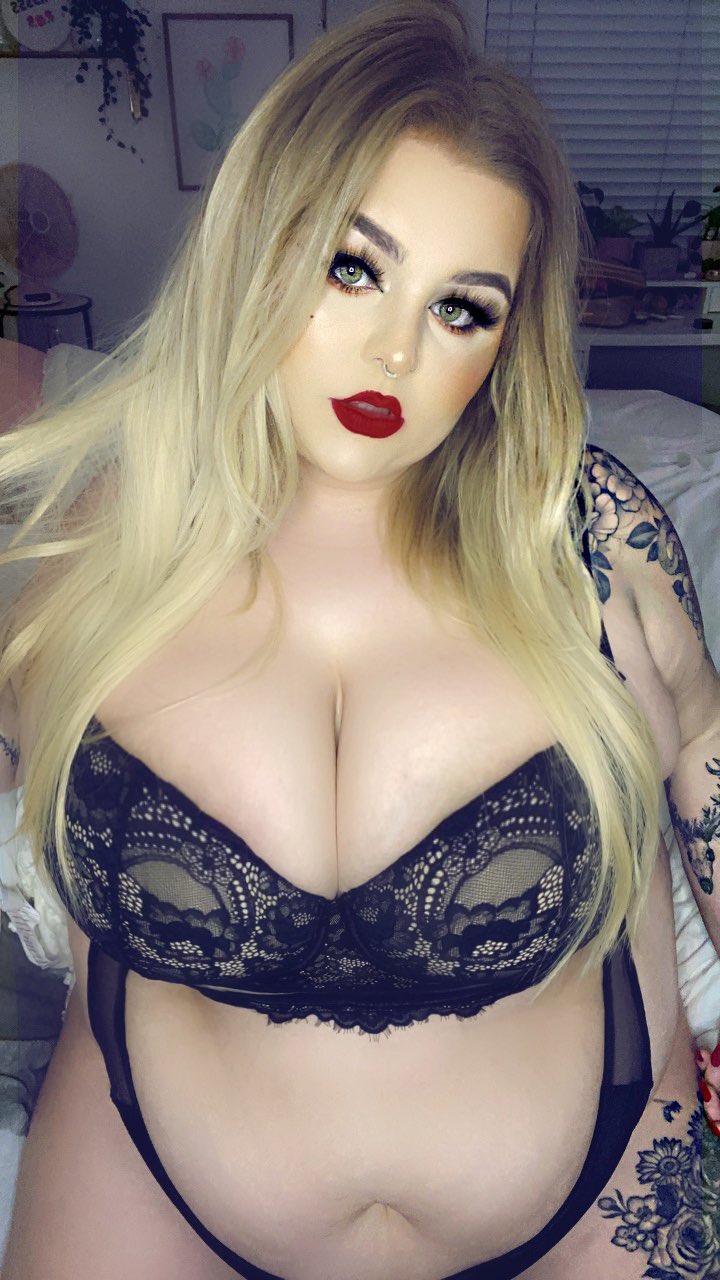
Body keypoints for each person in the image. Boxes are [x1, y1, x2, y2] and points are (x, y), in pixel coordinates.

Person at [1, 2, 719, 1276]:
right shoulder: (91, 551)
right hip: (148, 1176)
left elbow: (705, 747)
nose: (395, 348)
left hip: (603, 1185)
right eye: (352, 267)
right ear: (255, 246)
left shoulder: (598, 539)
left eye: (463, 309)